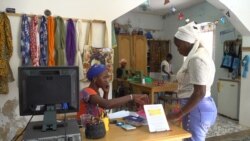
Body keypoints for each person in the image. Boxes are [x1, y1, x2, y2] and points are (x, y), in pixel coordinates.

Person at [167, 21, 217, 141]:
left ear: (187, 42)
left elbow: (200, 92)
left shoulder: (197, 59)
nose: (178, 50)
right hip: (201, 106)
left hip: (197, 108)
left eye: (179, 46)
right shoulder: (202, 54)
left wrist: (179, 113)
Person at [77, 64, 148, 119]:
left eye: (107, 77)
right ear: (95, 79)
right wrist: (132, 96)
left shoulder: (95, 92)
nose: (107, 80)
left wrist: (106, 93)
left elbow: (103, 107)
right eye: (104, 77)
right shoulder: (87, 91)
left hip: (93, 125)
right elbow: (107, 104)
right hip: (83, 127)